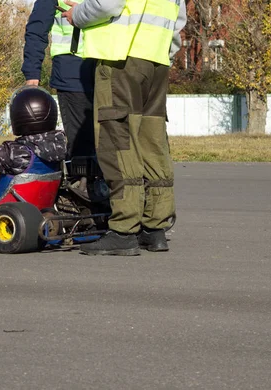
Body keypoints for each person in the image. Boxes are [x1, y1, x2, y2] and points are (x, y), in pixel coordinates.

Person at [61, 0, 187, 256]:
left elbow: (108, 4)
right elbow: (178, 20)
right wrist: (164, 55)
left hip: (120, 58)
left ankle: (124, 229)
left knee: (117, 140)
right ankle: (155, 228)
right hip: (156, 60)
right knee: (152, 141)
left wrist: (78, 14)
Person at [22, 0, 96, 159]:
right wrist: (33, 73)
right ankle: (81, 179)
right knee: (81, 137)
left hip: (105, 66)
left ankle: (101, 179)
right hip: (72, 69)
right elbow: (37, 30)